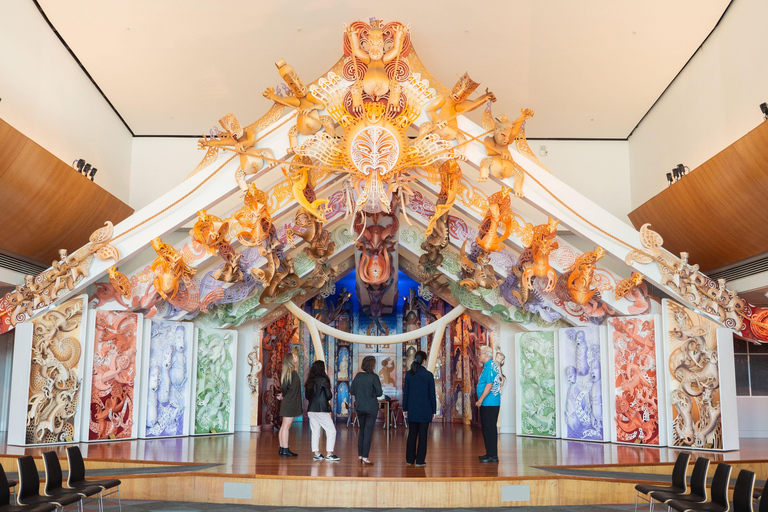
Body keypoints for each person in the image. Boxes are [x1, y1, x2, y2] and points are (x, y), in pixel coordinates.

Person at [402, 350, 436, 467]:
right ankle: (420, 461)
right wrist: (434, 410)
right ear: (425, 361)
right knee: (423, 436)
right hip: (425, 410)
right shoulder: (428, 375)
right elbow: (432, 394)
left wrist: (404, 409)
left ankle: (410, 459)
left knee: (411, 434)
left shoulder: (408, 374)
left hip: (412, 409)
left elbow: (405, 393)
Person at [304, 360, 339, 461]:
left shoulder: (309, 381)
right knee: (331, 430)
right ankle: (329, 453)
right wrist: (331, 392)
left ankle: (317, 453)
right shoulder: (324, 380)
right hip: (321, 409)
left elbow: (307, 396)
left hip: (311, 409)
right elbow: (328, 396)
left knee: (315, 431)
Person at [350, 355, 382, 465]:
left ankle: (360, 455)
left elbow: (352, 390)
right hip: (371, 408)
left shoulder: (358, 376)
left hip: (360, 407)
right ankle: (365, 457)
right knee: (368, 432)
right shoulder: (374, 377)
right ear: (372, 365)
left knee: (362, 431)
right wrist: (371, 393)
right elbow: (379, 393)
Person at [475, 345, 502, 463]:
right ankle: (489, 453)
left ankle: (493, 456)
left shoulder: (490, 366)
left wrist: (480, 400)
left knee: (490, 429)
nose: (479, 356)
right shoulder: (487, 366)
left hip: (490, 403)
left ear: (486, 354)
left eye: (480, 353)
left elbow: (489, 385)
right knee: (487, 429)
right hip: (488, 404)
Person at [278, 352, 302, 457]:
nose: (296, 357)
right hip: (289, 403)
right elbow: (285, 388)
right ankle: (285, 448)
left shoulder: (290, 372)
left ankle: (282, 448)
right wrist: (283, 394)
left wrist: (282, 395)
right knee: (286, 426)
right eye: (294, 357)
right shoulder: (291, 373)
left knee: (284, 426)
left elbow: (285, 389)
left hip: (288, 402)